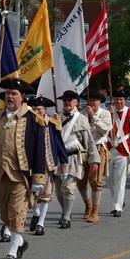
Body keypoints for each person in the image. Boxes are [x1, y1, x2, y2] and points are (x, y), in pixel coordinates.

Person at [0, 78, 46, 259]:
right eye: (8, 93)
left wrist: (38, 178)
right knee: (4, 211)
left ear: (22, 97)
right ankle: (20, 242)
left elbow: (39, 150)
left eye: (14, 94)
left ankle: (12, 252)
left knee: (17, 211)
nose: (10, 97)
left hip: (21, 175)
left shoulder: (33, 119)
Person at [56, 90, 100, 229]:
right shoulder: (56, 117)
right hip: (58, 159)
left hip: (74, 158)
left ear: (76, 102)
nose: (67, 102)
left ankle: (67, 217)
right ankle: (65, 212)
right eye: (65, 100)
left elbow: (89, 141)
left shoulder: (80, 118)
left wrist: (94, 160)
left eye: (70, 100)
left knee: (68, 187)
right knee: (58, 191)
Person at [27, 96, 67, 236]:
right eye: (35, 109)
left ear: (45, 110)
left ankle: (40, 223)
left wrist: (64, 162)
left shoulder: (52, 123)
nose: (38, 111)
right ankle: (36, 213)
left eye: (41, 109)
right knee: (29, 194)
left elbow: (59, 143)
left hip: (48, 164)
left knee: (45, 195)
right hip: (30, 165)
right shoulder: (27, 123)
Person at [106, 90, 130, 217]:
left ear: (125, 100)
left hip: (123, 150)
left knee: (120, 179)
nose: (119, 102)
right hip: (108, 149)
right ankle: (119, 200)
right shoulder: (107, 113)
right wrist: (110, 115)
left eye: (121, 99)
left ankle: (117, 207)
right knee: (108, 179)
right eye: (116, 99)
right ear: (113, 100)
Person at [82, 91, 112, 223]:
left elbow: (105, 129)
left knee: (96, 181)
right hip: (83, 149)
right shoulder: (82, 113)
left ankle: (95, 209)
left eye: (95, 100)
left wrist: (93, 116)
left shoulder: (105, 114)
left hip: (98, 148)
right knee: (80, 180)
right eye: (91, 99)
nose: (92, 102)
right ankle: (87, 203)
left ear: (100, 102)